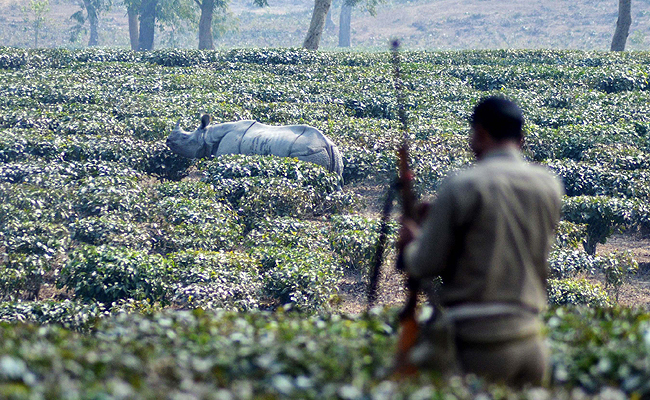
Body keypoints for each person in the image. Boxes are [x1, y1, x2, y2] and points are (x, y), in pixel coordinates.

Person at [398, 96, 564, 387]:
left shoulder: (463, 184)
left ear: (481, 134)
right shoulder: (548, 184)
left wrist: (413, 242)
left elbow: (426, 263)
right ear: (521, 139)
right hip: (532, 341)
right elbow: (501, 231)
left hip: (479, 344)